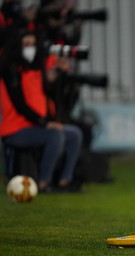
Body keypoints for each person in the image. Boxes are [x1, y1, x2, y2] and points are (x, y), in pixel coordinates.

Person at [0, 30, 82, 192]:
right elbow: (20, 105)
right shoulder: (10, 71)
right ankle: (44, 183)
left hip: (35, 126)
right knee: (55, 135)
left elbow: (51, 95)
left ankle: (65, 181)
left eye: (33, 44)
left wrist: (58, 74)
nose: (30, 48)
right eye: (26, 45)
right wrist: (45, 123)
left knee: (74, 134)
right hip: (15, 129)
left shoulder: (37, 70)